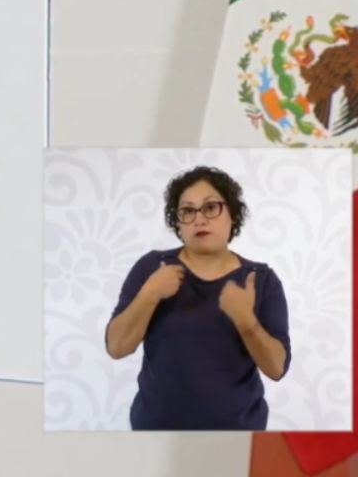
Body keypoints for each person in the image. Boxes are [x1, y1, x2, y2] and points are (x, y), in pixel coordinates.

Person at [105, 165, 291, 430]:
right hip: (155, 429)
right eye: (188, 211)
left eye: (211, 207)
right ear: (178, 222)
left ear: (232, 215)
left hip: (237, 434)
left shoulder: (260, 280)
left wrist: (246, 321)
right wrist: (151, 293)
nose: (199, 220)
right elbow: (116, 347)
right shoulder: (152, 267)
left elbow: (276, 368)